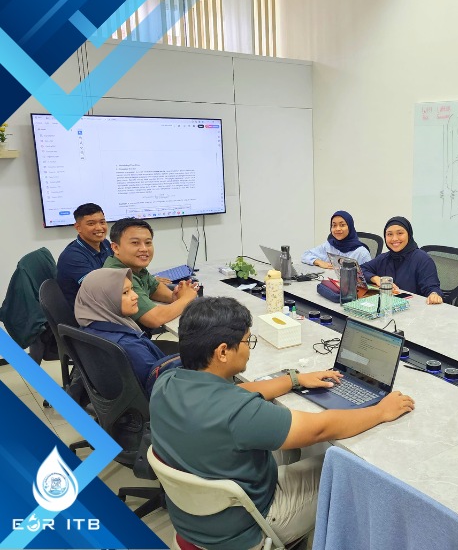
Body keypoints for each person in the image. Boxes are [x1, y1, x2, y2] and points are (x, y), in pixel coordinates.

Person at [150, 297, 415, 550]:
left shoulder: (166, 382)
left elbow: (237, 392)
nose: (249, 348)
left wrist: (294, 379)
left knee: (290, 451)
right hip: (248, 526)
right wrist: (380, 411)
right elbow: (321, 428)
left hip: (193, 519)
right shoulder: (240, 413)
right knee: (346, 470)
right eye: (247, 341)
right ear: (222, 352)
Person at [74, 269, 181, 397]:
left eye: (132, 289)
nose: (135, 296)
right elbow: (160, 386)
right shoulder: (128, 345)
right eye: (125, 292)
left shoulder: (89, 326)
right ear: (104, 298)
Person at [104, 218, 197, 330]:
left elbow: (154, 288)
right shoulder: (119, 275)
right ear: (115, 248)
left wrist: (175, 297)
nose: (144, 249)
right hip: (124, 338)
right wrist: (186, 299)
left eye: (148, 243)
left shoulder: (133, 266)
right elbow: (154, 318)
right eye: (135, 243)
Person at [360, 217, 443, 304]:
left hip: (413, 308)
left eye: (400, 233)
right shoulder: (384, 258)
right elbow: (359, 270)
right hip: (387, 306)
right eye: (389, 234)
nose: (394, 238)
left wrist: (434, 294)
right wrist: (376, 279)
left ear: (409, 235)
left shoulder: (422, 259)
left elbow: (432, 287)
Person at [56, 203, 113, 307]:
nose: (99, 228)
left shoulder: (105, 243)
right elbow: (96, 289)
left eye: (102, 222)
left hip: (104, 301)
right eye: (91, 224)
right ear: (78, 227)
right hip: (86, 309)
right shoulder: (72, 256)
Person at [301, 211, 372, 269]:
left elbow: (368, 274)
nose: (337, 229)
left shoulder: (361, 253)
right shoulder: (329, 246)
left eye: (342, 225)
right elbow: (305, 255)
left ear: (350, 227)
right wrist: (319, 262)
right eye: (334, 225)